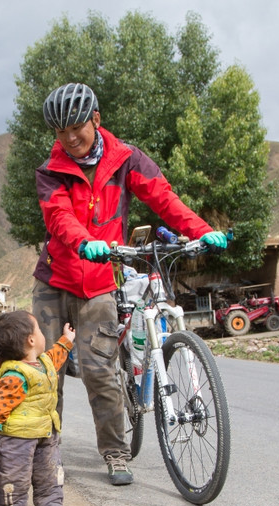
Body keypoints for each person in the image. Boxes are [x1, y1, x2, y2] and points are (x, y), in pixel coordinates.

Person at [31, 82, 230, 485]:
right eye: (61, 132)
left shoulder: (127, 160)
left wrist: (202, 231)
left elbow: (163, 198)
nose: (71, 139)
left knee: (98, 370)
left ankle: (116, 453)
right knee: (44, 372)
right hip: (54, 280)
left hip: (100, 282)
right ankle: (43, 454)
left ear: (96, 119)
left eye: (77, 128)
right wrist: (86, 242)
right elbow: (59, 218)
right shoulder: (50, 172)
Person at [0, 310, 74, 506]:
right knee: (15, 473)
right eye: (39, 331)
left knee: (49, 472)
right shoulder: (14, 374)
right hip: (17, 437)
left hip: (46, 431)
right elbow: (1, 405)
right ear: (31, 340)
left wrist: (66, 340)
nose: (43, 335)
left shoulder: (44, 362)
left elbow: (55, 357)